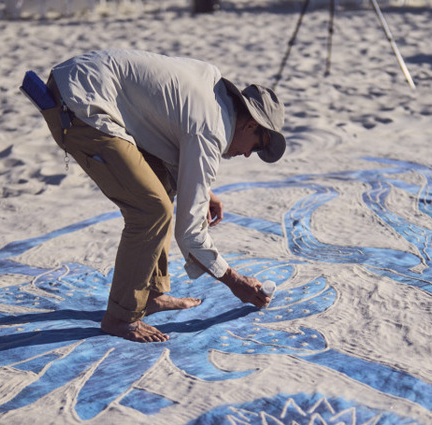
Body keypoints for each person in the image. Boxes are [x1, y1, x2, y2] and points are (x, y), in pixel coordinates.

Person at [39, 49, 286, 343]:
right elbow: (190, 233)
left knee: (163, 185)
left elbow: (175, 136)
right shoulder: (211, 129)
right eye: (256, 146)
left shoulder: (214, 90)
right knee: (150, 210)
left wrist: (203, 189)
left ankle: (151, 293)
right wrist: (234, 280)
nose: (247, 154)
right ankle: (120, 316)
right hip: (80, 101)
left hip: (84, 82)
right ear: (249, 124)